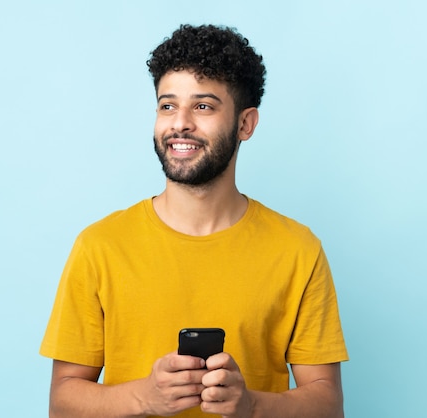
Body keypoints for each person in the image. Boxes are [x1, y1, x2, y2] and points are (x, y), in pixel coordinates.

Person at [40, 24, 349, 418]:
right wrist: (144, 397)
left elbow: (328, 405)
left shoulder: (298, 250)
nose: (180, 123)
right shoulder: (100, 246)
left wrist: (252, 405)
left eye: (203, 106)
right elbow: (62, 403)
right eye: (167, 105)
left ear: (245, 124)